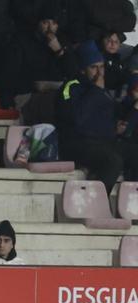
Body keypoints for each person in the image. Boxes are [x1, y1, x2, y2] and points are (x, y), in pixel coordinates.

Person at [58, 41, 138, 194]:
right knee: (112, 161)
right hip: (76, 143)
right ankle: (96, 204)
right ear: (82, 70)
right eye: (93, 67)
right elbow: (78, 120)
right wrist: (95, 90)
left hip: (103, 141)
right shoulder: (71, 87)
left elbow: (110, 115)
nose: (99, 72)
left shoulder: (102, 89)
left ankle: (133, 205)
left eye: (101, 67)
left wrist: (117, 125)